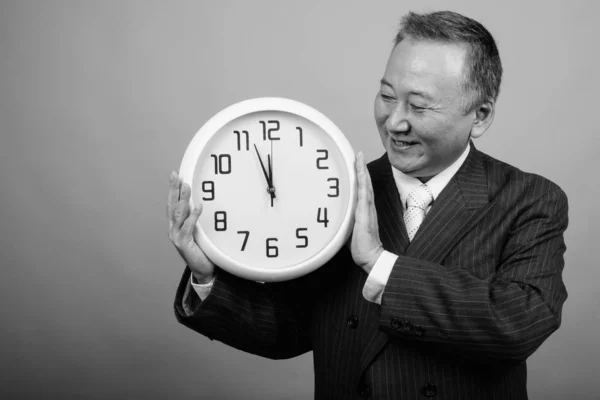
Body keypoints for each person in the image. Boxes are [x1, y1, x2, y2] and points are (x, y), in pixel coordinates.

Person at [167, 10, 568, 400]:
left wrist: (378, 263)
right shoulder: (336, 190)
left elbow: (517, 323)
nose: (394, 122)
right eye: (387, 96)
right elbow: (285, 331)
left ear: (479, 115)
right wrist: (207, 275)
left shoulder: (530, 200)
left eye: (419, 106)